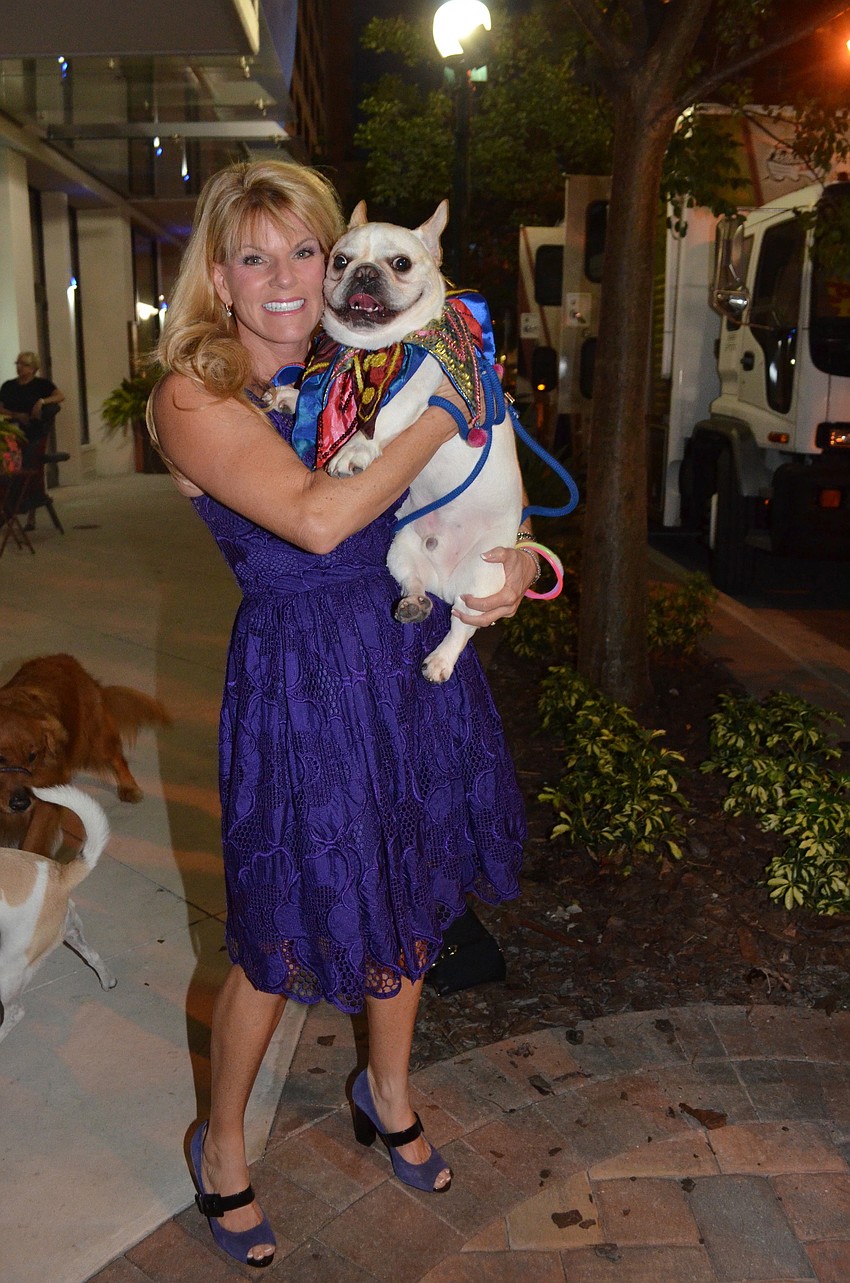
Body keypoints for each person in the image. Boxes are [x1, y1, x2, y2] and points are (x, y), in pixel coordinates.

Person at [148, 159, 537, 1269]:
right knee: (277, 939)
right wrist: (444, 402)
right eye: (255, 256)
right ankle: (221, 1146)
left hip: (408, 650)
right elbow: (320, 520)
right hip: (301, 679)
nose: (284, 277)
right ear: (218, 277)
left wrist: (512, 560)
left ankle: (388, 1085)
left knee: (410, 888)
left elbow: (467, 483)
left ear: (336, 258)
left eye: (304, 251)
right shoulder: (196, 394)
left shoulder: (361, 354)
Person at [0, 352, 65, 530]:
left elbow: (60, 396)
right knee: (8, 466)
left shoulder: (41, 385)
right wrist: (15, 415)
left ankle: (29, 510)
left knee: (30, 465)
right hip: (12, 432)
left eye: (25, 364)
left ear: (33, 368)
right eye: (18, 363)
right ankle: (8, 506)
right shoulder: (9, 386)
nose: (20, 367)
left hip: (34, 433)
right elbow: (1, 408)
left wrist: (41, 401)